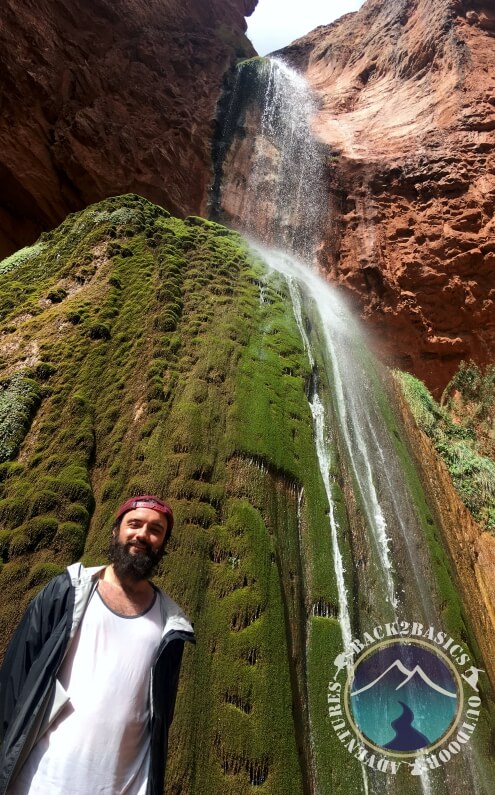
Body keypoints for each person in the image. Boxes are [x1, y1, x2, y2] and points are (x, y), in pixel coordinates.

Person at [0, 494, 194, 795]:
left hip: (123, 786)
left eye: (156, 530)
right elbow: (16, 679)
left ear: (163, 545)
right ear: (116, 530)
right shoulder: (67, 591)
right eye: (135, 524)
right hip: (39, 780)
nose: (143, 534)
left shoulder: (171, 625)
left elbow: (159, 718)